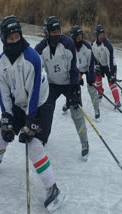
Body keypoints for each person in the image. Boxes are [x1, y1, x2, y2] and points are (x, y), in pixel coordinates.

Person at [0, 15, 65, 212]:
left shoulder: (31, 58)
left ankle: (52, 187)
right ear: (3, 39)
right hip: (19, 104)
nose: (15, 40)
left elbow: (34, 92)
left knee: (34, 144)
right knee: (0, 133)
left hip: (40, 104)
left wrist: (30, 122)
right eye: (10, 38)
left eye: (17, 36)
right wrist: (7, 117)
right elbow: (3, 94)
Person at [35, 16, 90, 160]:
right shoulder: (40, 49)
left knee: (76, 111)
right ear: (47, 33)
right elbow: (36, 70)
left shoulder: (68, 43)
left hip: (68, 83)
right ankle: (43, 137)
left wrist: (74, 88)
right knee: (46, 110)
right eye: (53, 32)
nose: (56, 34)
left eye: (58, 31)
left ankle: (84, 142)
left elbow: (73, 68)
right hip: (52, 85)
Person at [62, 25, 100, 119]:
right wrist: (77, 76)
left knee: (91, 88)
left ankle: (96, 108)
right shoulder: (70, 48)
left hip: (87, 68)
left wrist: (91, 78)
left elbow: (91, 64)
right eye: (77, 38)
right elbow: (70, 64)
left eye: (81, 37)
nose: (80, 39)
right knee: (73, 86)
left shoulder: (87, 48)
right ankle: (69, 103)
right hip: (77, 69)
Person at [91, 24, 121, 109]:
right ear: (97, 34)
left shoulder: (108, 46)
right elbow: (93, 56)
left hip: (110, 65)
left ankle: (117, 101)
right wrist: (96, 66)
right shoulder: (93, 43)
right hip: (100, 64)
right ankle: (100, 93)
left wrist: (111, 74)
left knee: (111, 83)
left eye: (103, 34)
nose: (102, 36)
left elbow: (110, 61)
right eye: (100, 34)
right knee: (98, 81)